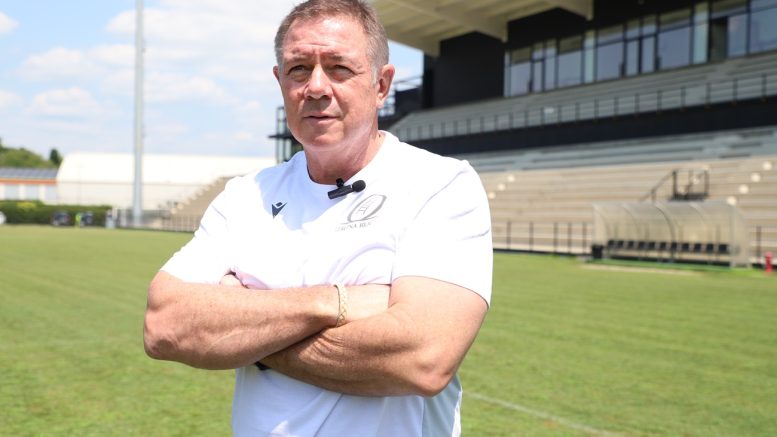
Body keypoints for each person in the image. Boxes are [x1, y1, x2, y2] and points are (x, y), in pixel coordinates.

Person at [143, 0, 493, 435]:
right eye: (299, 69)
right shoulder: (245, 195)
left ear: (381, 85)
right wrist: (334, 302)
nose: (316, 87)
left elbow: (422, 360)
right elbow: (164, 325)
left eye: (339, 68)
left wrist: (246, 329)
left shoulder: (440, 184)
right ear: (280, 82)